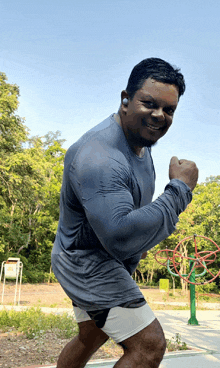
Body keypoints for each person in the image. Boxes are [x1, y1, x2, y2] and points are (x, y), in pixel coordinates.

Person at [51, 57, 198, 368]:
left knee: (91, 335)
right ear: (125, 100)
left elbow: (134, 217)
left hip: (102, 258)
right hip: (85, 261)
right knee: (149, 346)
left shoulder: (141, 146)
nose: (159, 115)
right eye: (149, 103)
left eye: (169, 109)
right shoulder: (99, 155)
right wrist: (180, 190)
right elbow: (119, 234)